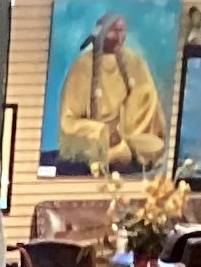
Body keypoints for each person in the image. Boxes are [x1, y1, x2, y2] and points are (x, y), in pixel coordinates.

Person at [57, 13, 169, 175]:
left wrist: (125, 132)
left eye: (122, 31)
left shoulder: (134, 62)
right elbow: (69, 120)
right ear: (100, 32)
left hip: (129, 137)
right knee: (113, 152)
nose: (119, 36)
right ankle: (109, 158)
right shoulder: (82, 66)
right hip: (96, 138)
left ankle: (117, 156)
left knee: (154, 145)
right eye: (114, 31)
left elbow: (148, 106)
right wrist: (101, 132)